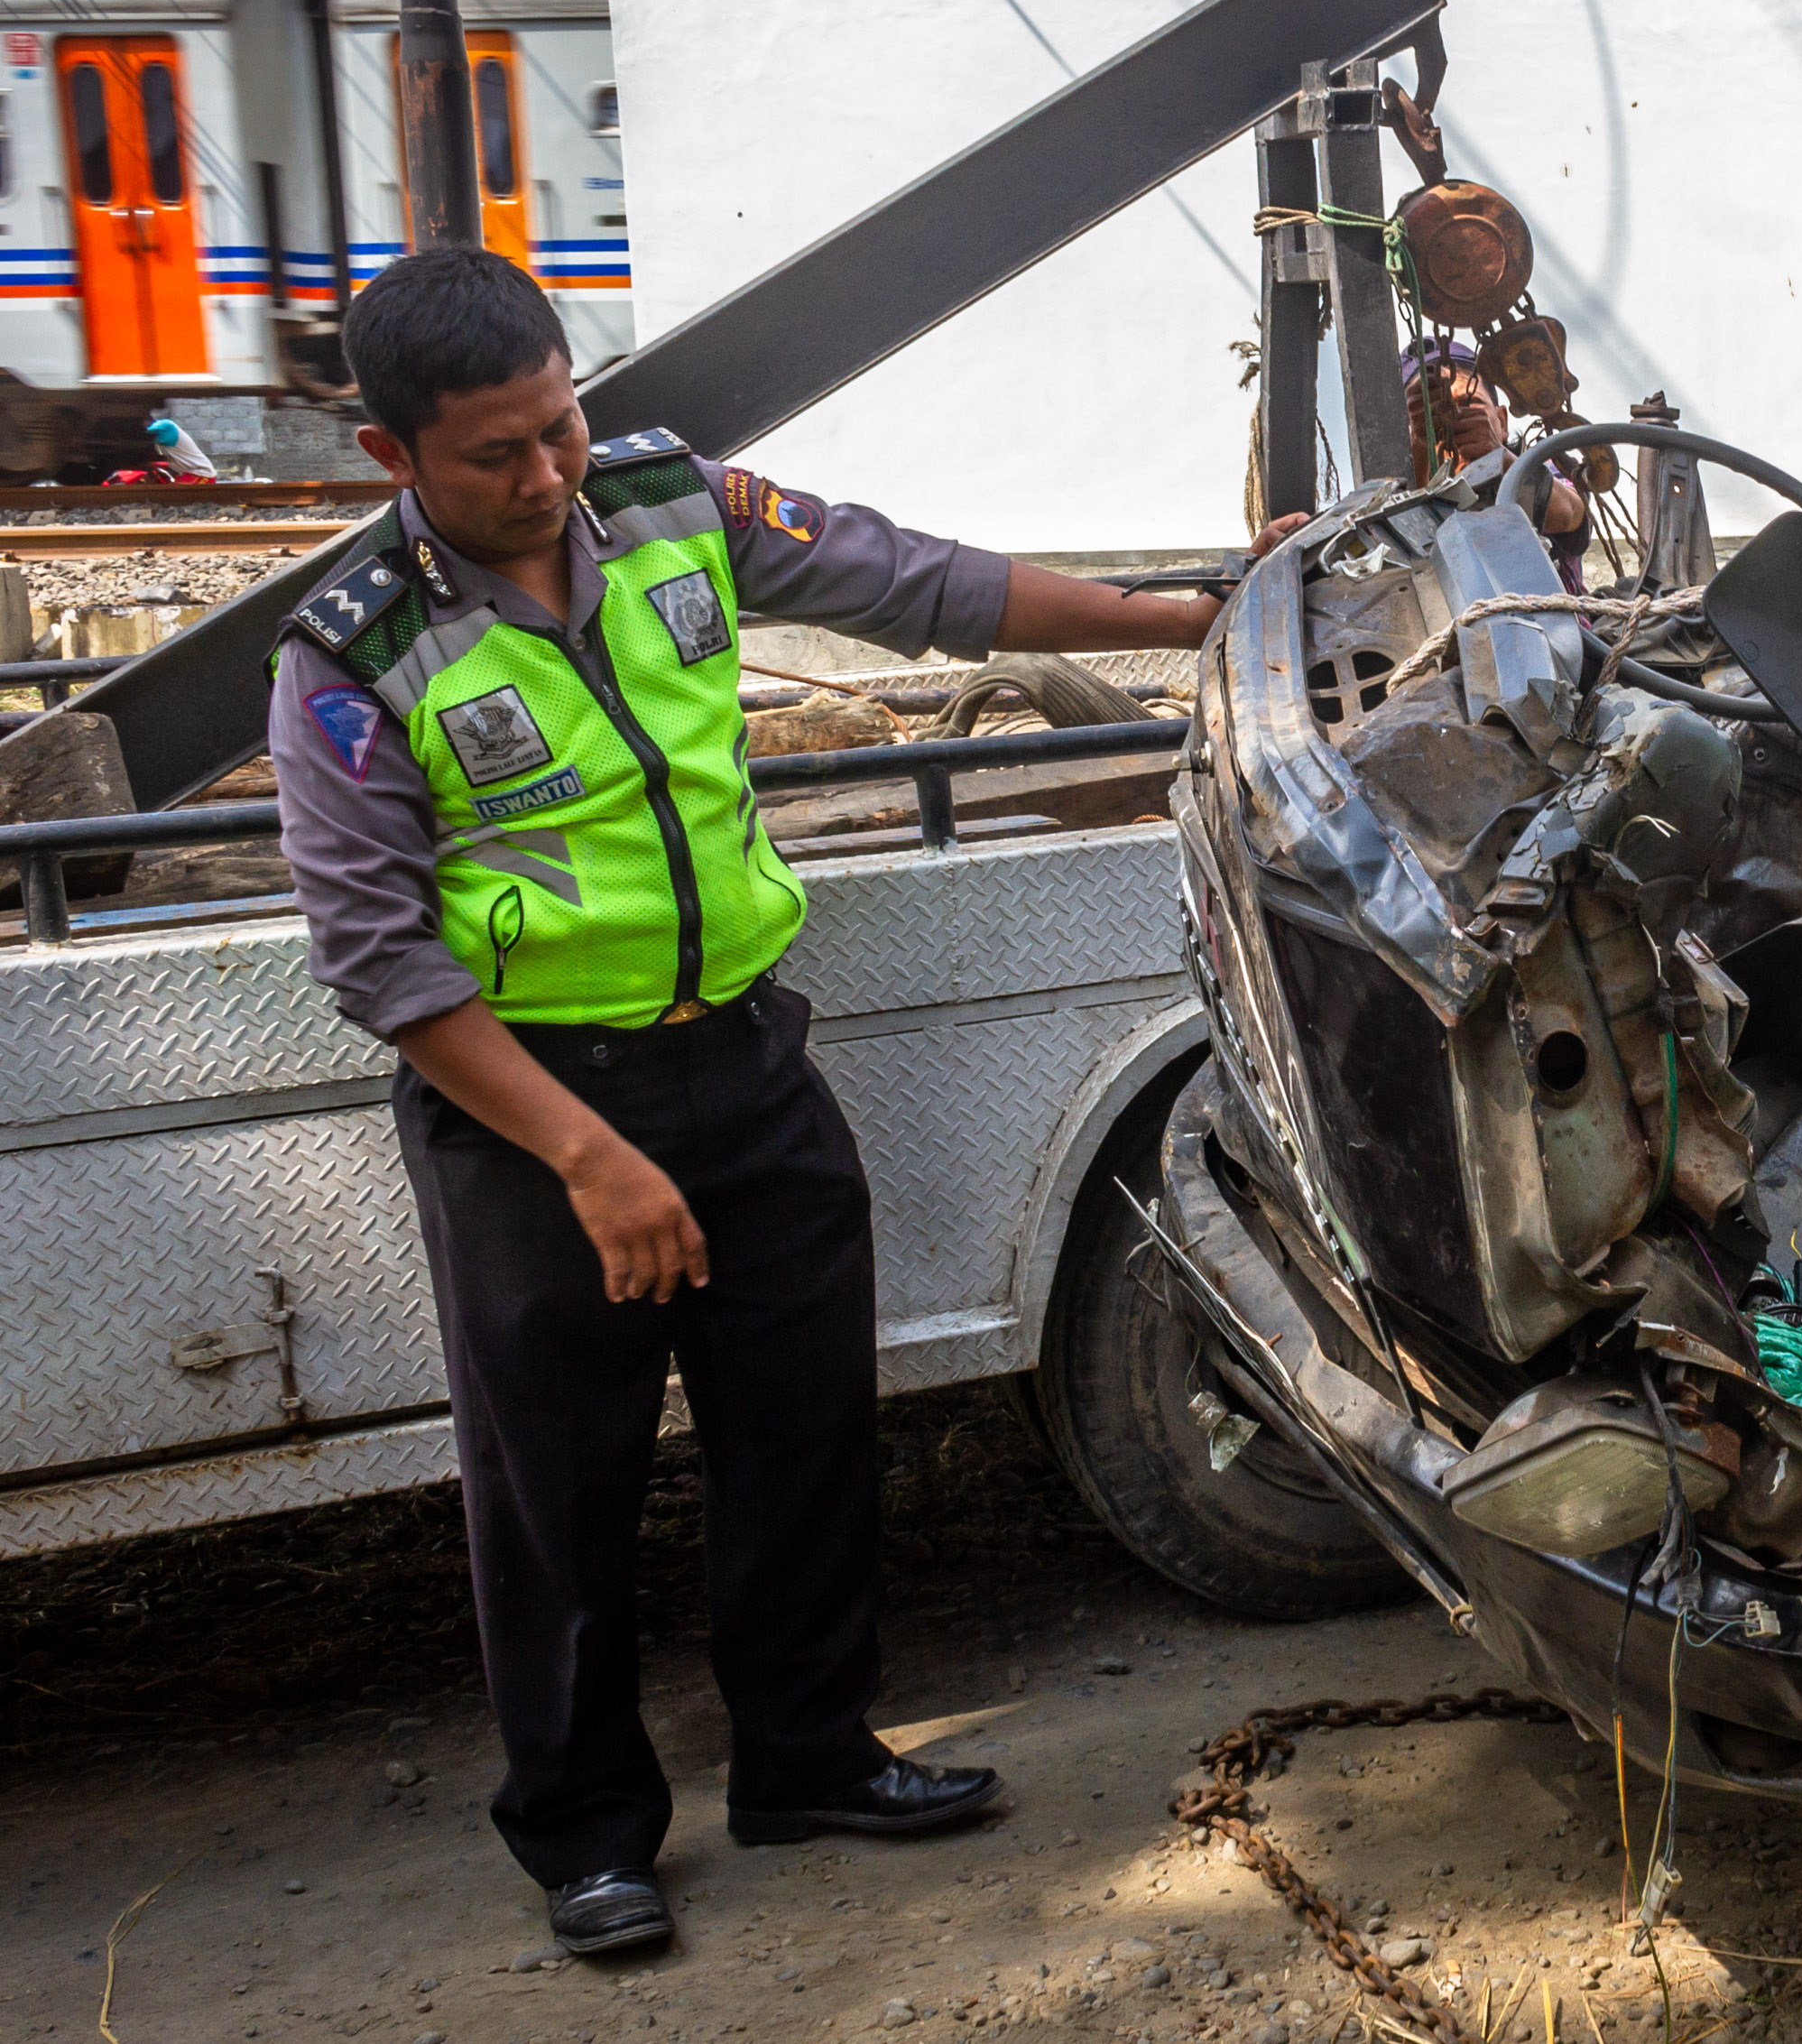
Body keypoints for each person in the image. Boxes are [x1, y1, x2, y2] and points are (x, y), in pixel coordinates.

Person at [268, 249, 1225, 1958]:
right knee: (555, 1491)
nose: (546, 474)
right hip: (536, 1117)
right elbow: (382, 962)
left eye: (559, 425)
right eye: (495, 452)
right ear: (389, 456)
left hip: (748, 1065)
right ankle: (585, 1835)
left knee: (802, 1430)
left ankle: (807, 1754)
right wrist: (590, 1159)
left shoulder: (670, 504)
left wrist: (1179, 620)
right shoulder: (354, 656)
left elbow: (922, 583)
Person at [1406, 333, 1588, 590]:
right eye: (1430, 421)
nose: (1452, 425)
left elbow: (1569, 515)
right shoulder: (1400, 501)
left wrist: (1496, 456)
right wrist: (1421, 452)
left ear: (1501, 422)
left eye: (1470, 406)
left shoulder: (1541, 466)